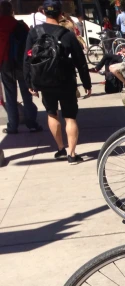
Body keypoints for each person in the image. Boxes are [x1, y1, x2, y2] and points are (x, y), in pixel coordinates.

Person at [24, 0, 92, 164]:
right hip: (66, 81)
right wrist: (86, 83)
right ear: (60, 13)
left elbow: (27, 59)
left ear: (43, 13)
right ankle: (72, 154)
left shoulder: (34, 33)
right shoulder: (67, 34)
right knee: (70, 117)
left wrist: (30, 83)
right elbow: (80, 61)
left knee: (51, 113)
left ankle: (61, 148)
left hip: (45, 81)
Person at [0, 0, 41, 134]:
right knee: (26, 94)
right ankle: (32, 123)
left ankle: (13, 125)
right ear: (11, 11)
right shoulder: (20, 25)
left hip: (5, 65)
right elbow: (30, 44)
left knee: (10, 96)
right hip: (21, 64)